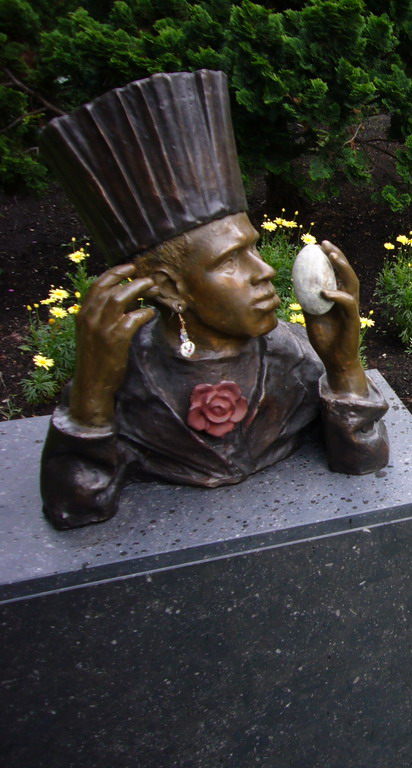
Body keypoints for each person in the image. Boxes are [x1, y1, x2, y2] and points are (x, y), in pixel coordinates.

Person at [37, 71, 388, 530]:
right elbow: (75, 507)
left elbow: (365, 463)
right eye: (231, 260)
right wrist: (90, 397)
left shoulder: (292, 357)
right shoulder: (123, 385)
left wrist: (343, 366)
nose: (264, 271)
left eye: (254, 247)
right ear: (169, 288)